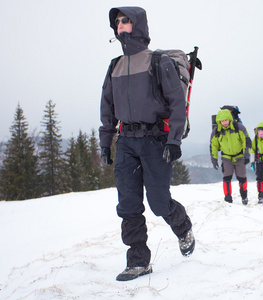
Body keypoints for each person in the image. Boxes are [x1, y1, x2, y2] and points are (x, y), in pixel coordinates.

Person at [99, 7, 194, 282]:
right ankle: (138, 261)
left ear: (137, 24)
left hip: (155, 140)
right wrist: (106, 143)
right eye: (117, 22)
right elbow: (107, 107)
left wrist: (174, 139)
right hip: (126, 141)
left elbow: (177, 103)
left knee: (159, 202)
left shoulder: (158, 61)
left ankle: (183, 227)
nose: (120, 25)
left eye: (125, 21)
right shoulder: (115, 66)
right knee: (128, 204)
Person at [210, 109, 251, 205]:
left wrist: (246, 155)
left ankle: (244, 196)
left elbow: (246, 141)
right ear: (219, 121)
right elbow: (214, 146)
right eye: (222, 121)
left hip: (240, 157)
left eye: (226, 120)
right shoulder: (216, 131)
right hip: (226, 158)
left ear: (229, 119)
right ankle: (228, 199)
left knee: (242, 178)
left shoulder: (239, 127)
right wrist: (214, 159)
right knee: (226, 178)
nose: (224, 122)